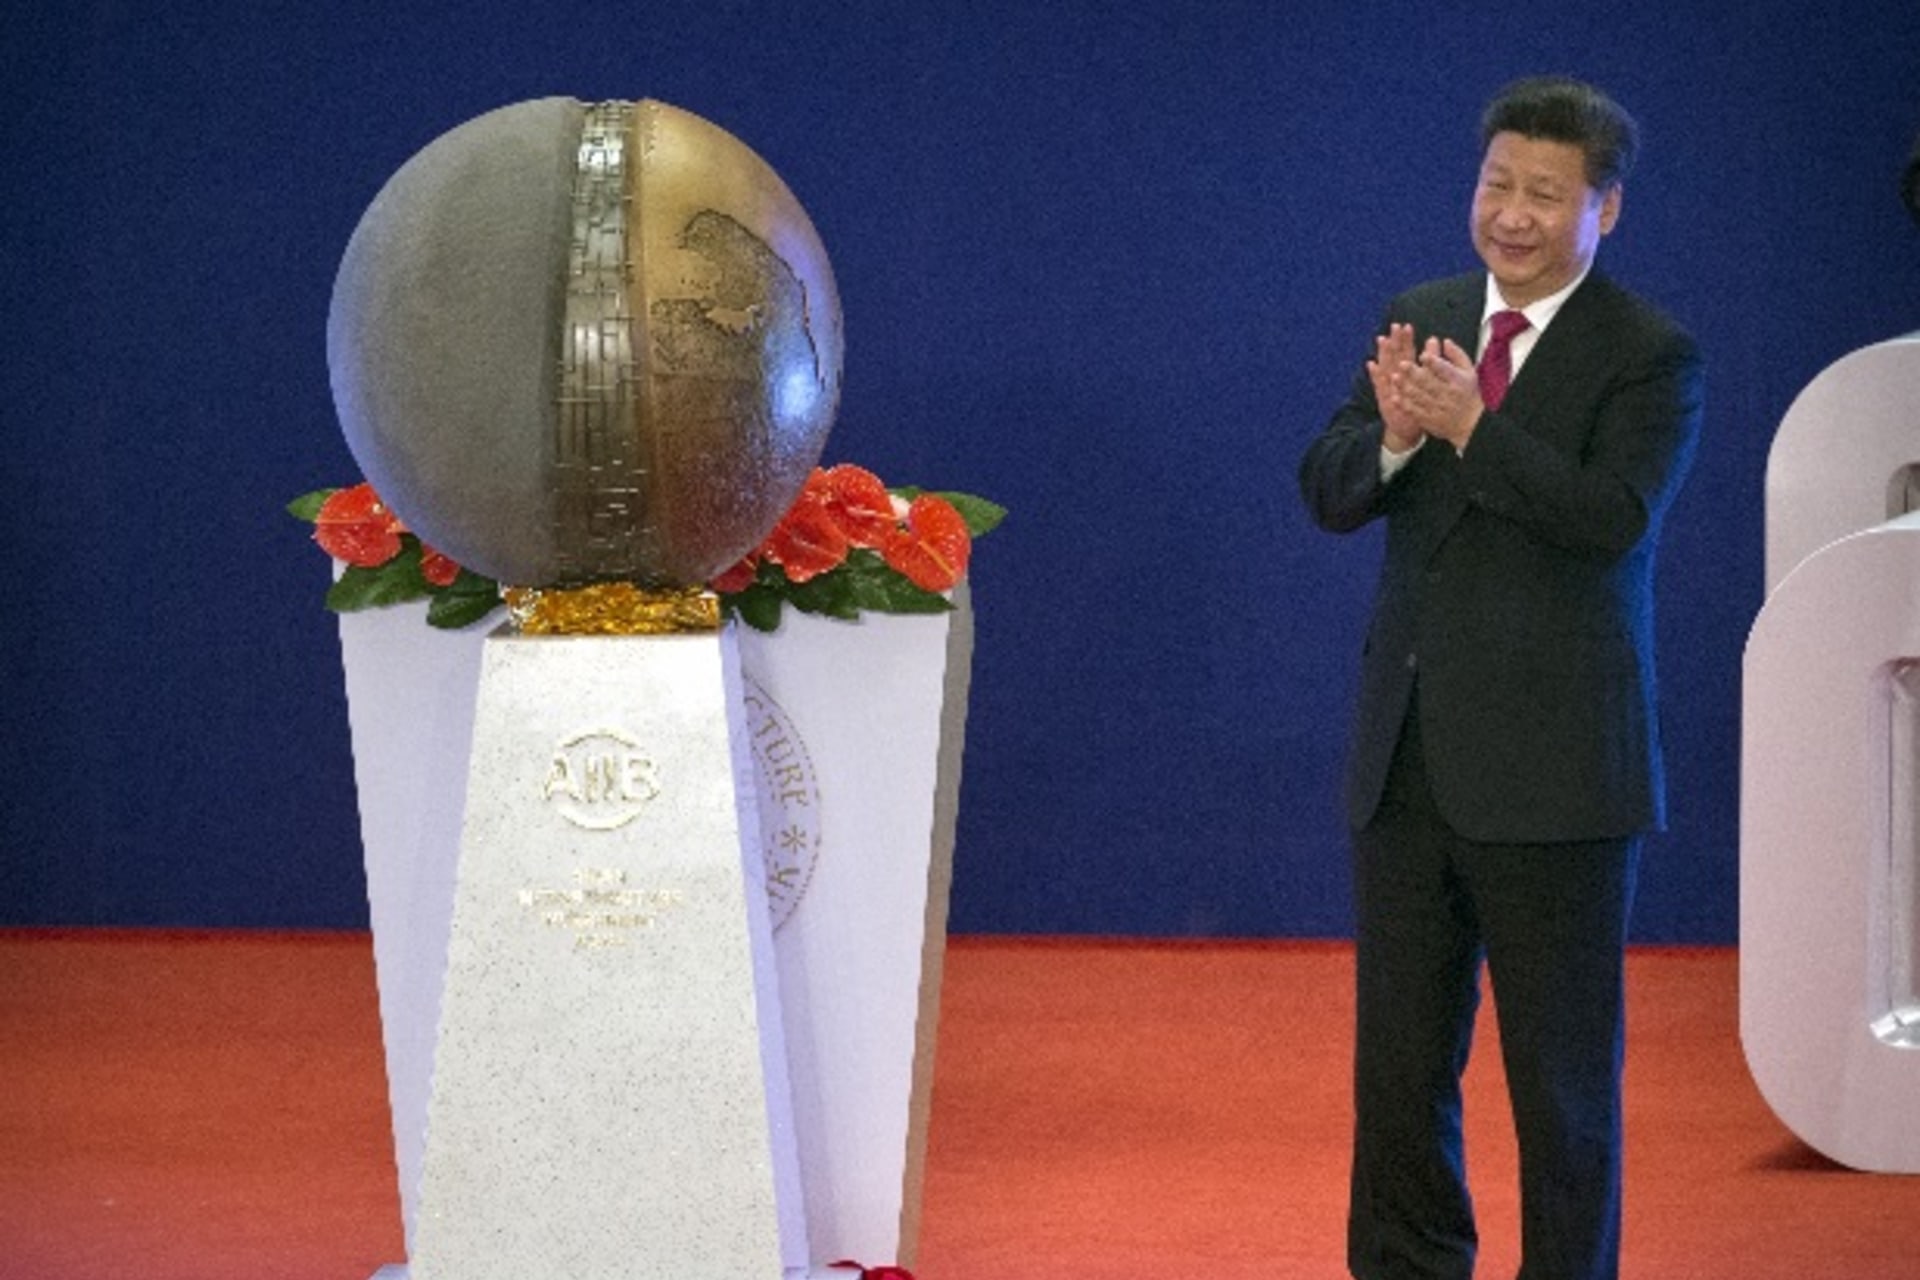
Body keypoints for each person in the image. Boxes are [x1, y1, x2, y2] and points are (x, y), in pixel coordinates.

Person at [1298, 76, 1703, 1280]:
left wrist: (1472, 429)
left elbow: (1611, 518)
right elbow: (1327, 486)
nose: (1512, 214)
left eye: (1545, 193)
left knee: (1562, 1090)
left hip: (1562, 778)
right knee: (1401, 1073)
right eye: (1496, 183)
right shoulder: (1421, 315)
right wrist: (1393, 437)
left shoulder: (1650, 353)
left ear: (1604, 211)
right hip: (1408, 764)